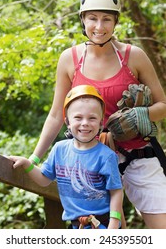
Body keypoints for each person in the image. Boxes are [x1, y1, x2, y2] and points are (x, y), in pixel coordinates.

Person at [28, 0, 166, 228]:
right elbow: (55, 115)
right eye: (92, 18)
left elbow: (162, 105)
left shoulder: (133, 56)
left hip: (137, 153)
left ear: (115, 22)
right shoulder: (69, 59)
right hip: (90, 160)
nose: (99, 27)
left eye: (106, 19)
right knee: (109, 234)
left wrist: (138, 115)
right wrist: (34, 158)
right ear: (83, 19)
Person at [10, 85, 123, 229]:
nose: (85, 123)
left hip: (102, 225)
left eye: (92, 118)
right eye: (78, 117)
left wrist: (114, 222)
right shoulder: (59, 149)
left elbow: (116, 191)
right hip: (76, 226)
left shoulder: (106, 156)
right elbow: (44, 180)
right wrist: (27, 164)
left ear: (101, 122)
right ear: (68, 122)